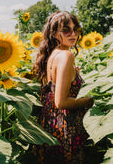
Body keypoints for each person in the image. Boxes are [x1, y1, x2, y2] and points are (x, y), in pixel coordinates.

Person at [33, 11, 94, 164]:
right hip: (67, 129)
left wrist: (74, 75)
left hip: (50, 125)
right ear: (54, 33)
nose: (73, 33)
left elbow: (53, 88)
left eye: (76, 29)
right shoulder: (66, 56)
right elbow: (60, 102)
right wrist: (89, 100)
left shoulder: (52, 55)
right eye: (66, 30)